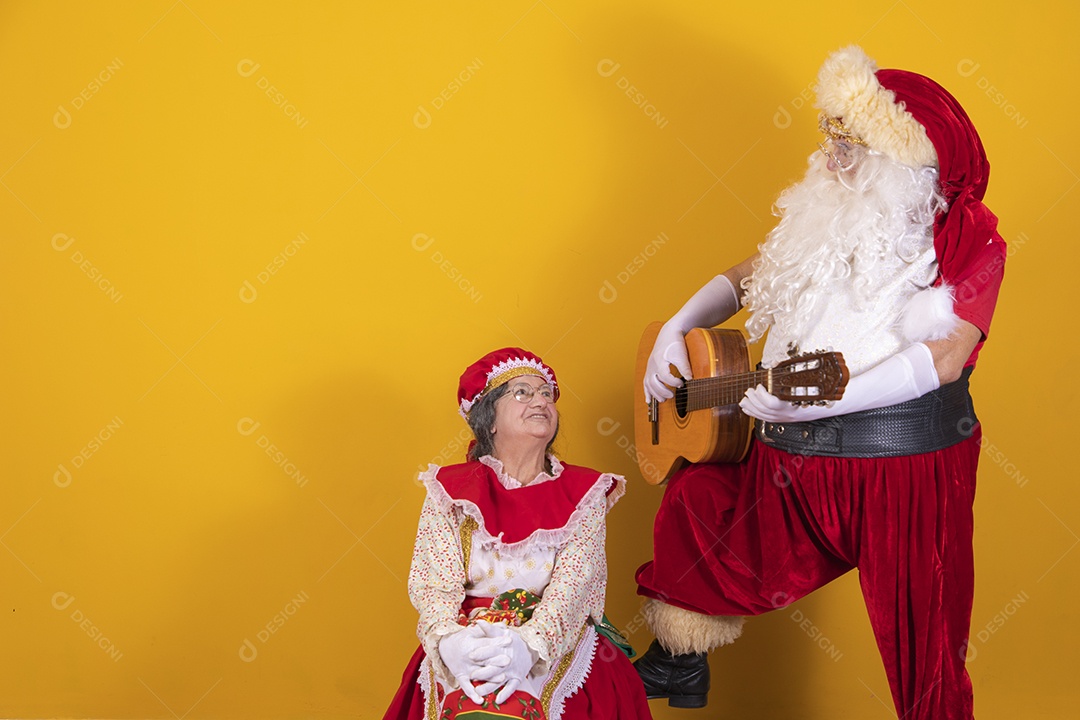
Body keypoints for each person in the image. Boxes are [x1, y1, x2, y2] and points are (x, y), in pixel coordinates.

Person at [632, 46, 1005, 720]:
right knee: (700, 503)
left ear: (905, 163)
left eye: (852, 144)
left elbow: (945, 360)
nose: (832, 157)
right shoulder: (824, 217)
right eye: (830, 136)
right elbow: (754, 273)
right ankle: (680, 661)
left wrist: (831, 395)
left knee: (924, 642)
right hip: (787, 465)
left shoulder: (964, 241)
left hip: (902, 472)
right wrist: (678, 325)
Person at [384, 348, 652, 720]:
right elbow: (435, 585)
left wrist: (529, 648)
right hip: (467, 638)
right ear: (488, 419)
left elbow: (574, 586)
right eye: (522, 392)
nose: (540, 400)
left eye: (546, 393)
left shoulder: (586, 491)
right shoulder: (449, 491)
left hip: (555, 636)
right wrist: (451, 644)